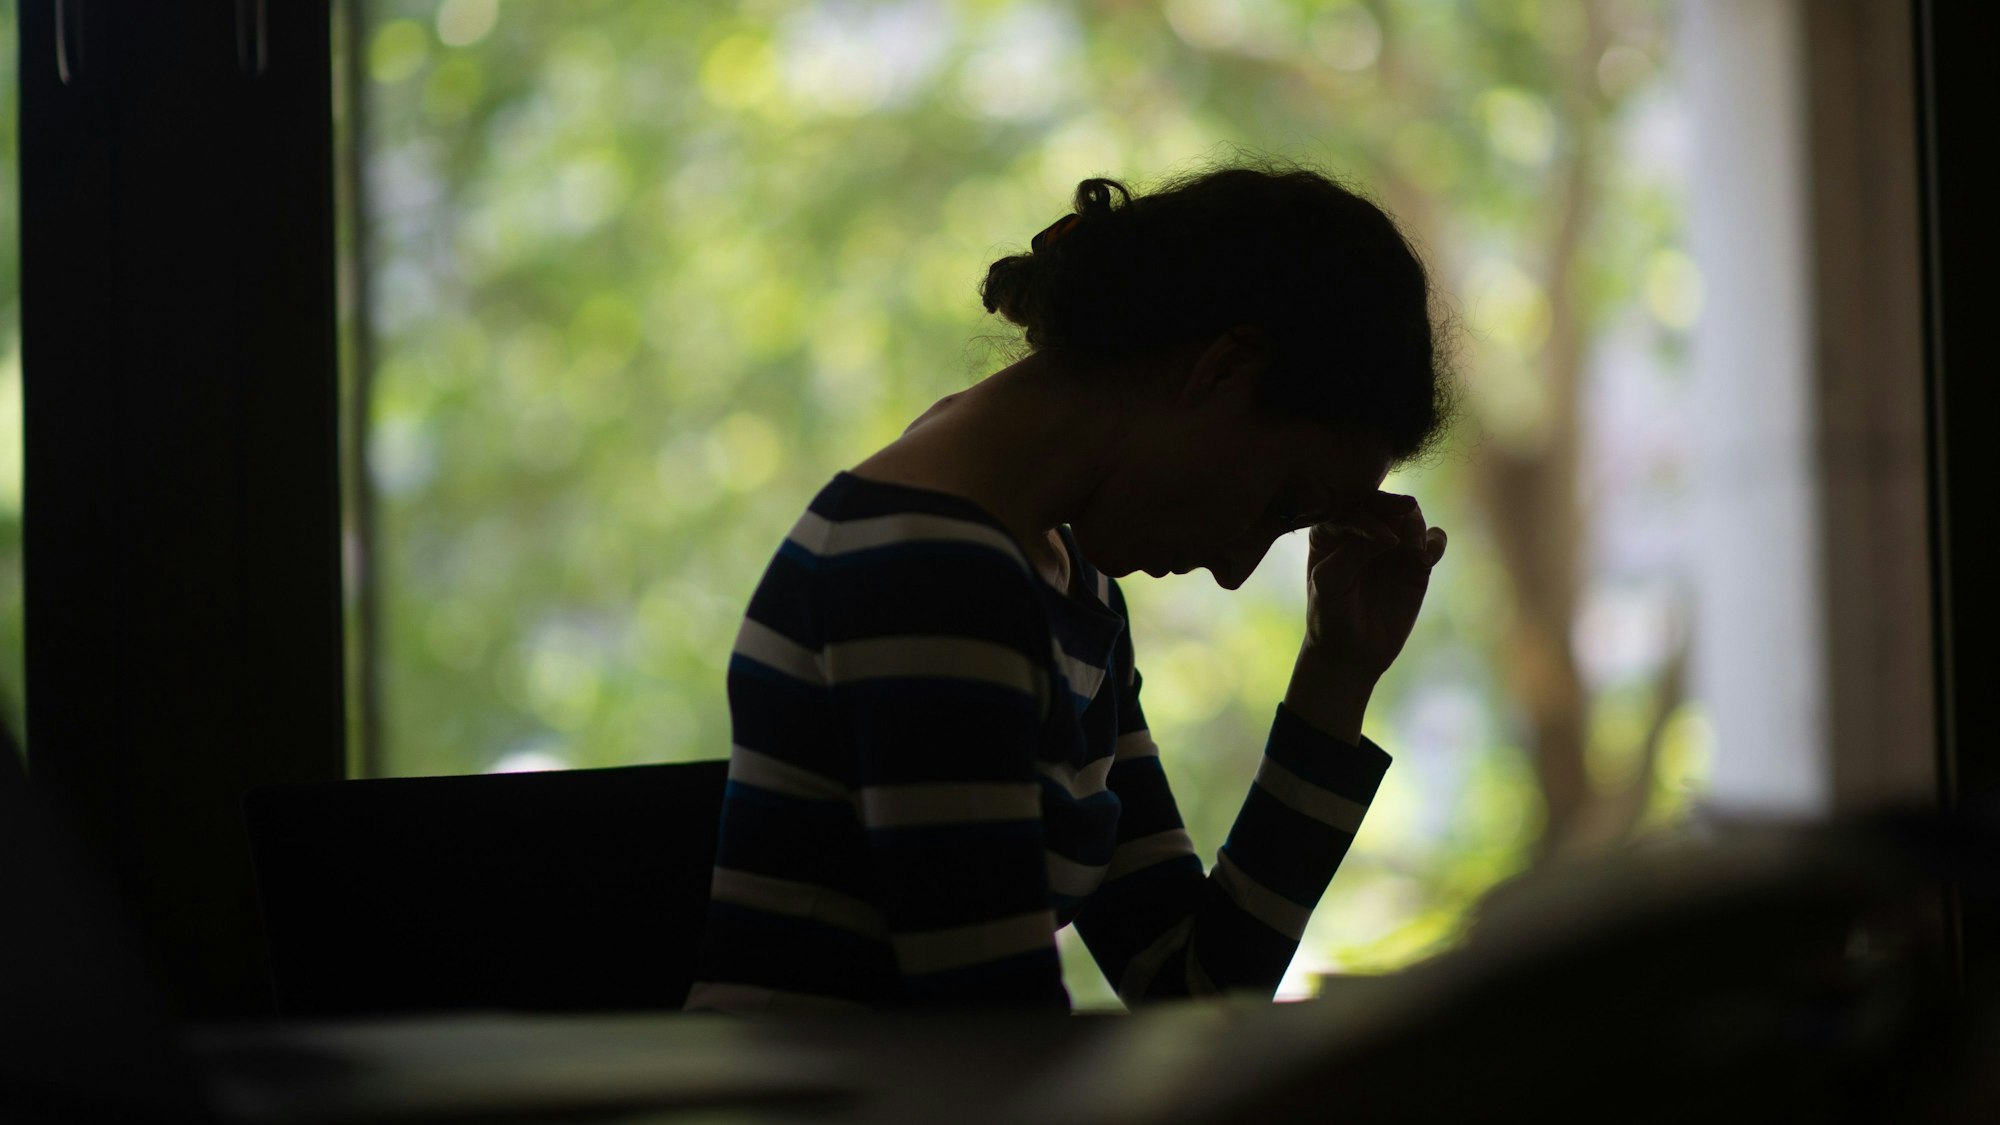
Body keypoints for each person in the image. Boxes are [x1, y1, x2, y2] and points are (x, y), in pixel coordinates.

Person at [684, 160, 1456, 1014]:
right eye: (1280, 502)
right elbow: (991, 1033)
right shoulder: (928, 571)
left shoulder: (1064, 586)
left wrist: (1335, 673)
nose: (1237, 569)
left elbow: (1190, 990)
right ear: (1224, 371)